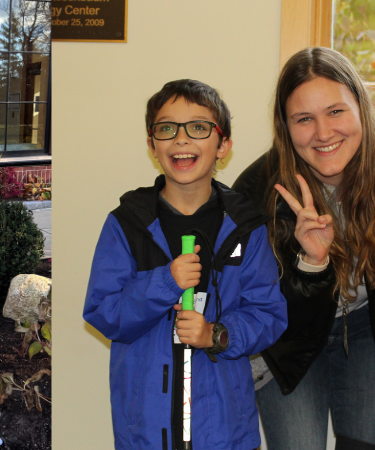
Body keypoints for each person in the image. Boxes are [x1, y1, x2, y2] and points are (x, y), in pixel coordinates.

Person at [229, 47, 375, 450]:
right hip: (290, 339)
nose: (323, 133)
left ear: (360, 107)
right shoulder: (256, 193)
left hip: (371, 328)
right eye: (304, 119)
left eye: (335, 111)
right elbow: (252, 302)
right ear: (285, 127)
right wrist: (312, 264)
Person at [84, 79, 288, 450]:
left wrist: (216, 335)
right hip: (146, 430)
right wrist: (166, 282)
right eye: (166, 128)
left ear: (223, 145)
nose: (181, 139)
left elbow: (268, 314)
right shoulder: (127, 223)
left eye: (198, 127)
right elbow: (102, 311)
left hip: (225, 430)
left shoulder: (247, 225)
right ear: (152, 144)